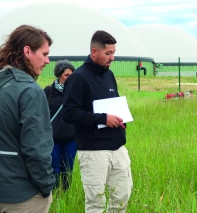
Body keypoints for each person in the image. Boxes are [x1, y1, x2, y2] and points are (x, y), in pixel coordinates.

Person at [0, 25, 56, 213]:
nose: (48, 61)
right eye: (44, 54)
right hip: (25, 197)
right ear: (27, 51)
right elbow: (37, 150)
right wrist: (46, 186)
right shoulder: (29, 91)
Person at [62, 30, 133, 213]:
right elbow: (69, 113)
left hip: (118, 148)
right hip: (94, 151)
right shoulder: (78, 77)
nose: (113, 58)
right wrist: (102, 119)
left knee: (122, 196)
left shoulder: (109, 75)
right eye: (108, 53)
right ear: (94, 52)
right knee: (96, 203)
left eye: (114, 52)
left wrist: (119, 116)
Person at [44, 59, 76, 190]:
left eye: (72, 75)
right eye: (67, 75)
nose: (70, 78)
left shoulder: (75, 92)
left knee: (67, 170)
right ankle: (55, 197)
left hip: (71, 139)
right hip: (53, 139)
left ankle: (66, 196)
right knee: (54, 169)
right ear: (59, 75)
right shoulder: (48, 91)